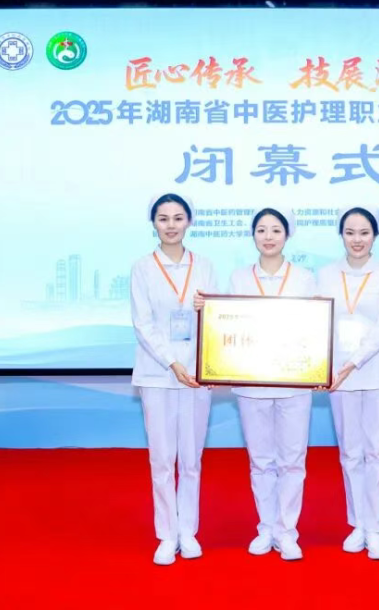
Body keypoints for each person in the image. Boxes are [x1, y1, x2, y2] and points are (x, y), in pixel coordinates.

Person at [193, 207, 315, 561]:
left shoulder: (304, 278)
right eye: (261, 229)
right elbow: (228, 326)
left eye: (276, 229)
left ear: (287, 235)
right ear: (253, 235)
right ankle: (266, 528)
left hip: (294, 381)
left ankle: (287, 531)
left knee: (292, 460)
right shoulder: (239, 277)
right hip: (251, 383)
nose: (268, 236)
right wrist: (207, 310)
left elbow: (314, 327)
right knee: (261, 460)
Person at [130, 192, 218, 566]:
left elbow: (218, 319)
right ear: (153, 223)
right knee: (163, 459)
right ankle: (167, 534)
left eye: (178, 218)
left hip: (197, 373)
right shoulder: (142, 268)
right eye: (163, 218)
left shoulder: (205, 266)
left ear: (189, 222)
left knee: (191, 457)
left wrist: (207, 310)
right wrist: (171, 362)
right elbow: (143, 324)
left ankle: (188, 531)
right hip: (158, 374)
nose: (171, 225)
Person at [315, 206, 379, 560]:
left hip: (376, 371)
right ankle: (358, 524)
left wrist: (352, 362)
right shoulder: (325, 274)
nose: (357, 240)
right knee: (350, 451)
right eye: (350, 232)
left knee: (377, 451)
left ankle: (376, 528)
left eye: (364, 232)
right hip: (338, 375)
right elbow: (317, 322)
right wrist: (325, 367)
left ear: (375, 235)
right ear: (341, 235)